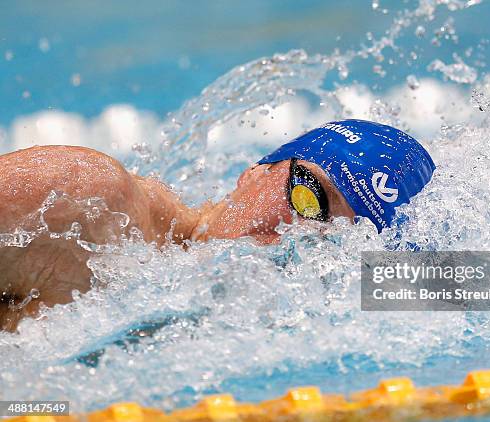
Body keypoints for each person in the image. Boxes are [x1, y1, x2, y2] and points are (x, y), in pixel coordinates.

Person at [0, 119, 435, 330]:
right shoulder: (88, 199)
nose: (299, 233)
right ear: (256, 170)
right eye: (309, 196)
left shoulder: (247, 325)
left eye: (337, 239)